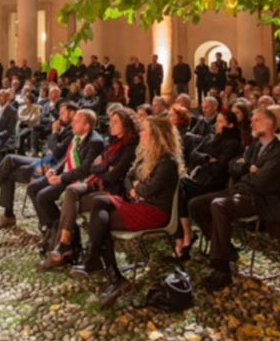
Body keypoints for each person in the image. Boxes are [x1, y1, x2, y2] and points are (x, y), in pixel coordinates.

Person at [72, 114, 184, 309]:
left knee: (101, 218)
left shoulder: (168, 162)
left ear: (156, 135)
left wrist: (138, 188)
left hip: (154, 213)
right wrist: (137, 187)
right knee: (100, 203)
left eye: (145, 131)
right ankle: (101, 265)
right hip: (140, 206)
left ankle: (104, 268)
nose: (141, 133)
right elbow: (128, 178)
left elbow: (148, 190)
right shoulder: (147, 156)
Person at [193, 108, 280, 290]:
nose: (251, 123)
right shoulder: (254, 148)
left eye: (256, 120)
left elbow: (262, 183)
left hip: (260, 199)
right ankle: (227, 250)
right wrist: (250, 168)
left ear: (270, 124)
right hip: (239, 191)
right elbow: (232, 166)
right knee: (196, 204)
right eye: (252, 120)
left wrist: (245, 169)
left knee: (218, 205)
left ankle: (221, 269)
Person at [42, 107, 139, 269]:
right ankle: (65, 242)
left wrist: (104, 167)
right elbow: (94, 167)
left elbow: (113, 176)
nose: (111, 126)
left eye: (116, 122)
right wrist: (105, 167)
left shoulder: (129, 148)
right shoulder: (113, 142)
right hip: (98, 183)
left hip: (113, 191)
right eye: (111, 122)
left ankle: (70, 249)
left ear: (126, 125)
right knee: (72, 192)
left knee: (73, 202)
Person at [0, 101, 77, 228]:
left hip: (52, 166)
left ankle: (0, 209)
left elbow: (58, 150)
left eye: (62, 113)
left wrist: (55, 133)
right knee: (9, 159)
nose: (59, 116)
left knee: (6, 173)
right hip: (46, 159)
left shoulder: (74, 131)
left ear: (72, 114)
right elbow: (47, 145)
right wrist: (49, 148)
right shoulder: (65, 127)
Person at [173, 109, 242, 260]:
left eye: (221, 122)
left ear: (230, 125)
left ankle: (185, 236)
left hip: (214, 185)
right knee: (179, 190)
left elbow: (218, 169)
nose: (217, 125)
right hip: (200, 180)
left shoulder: (232, 143)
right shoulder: (210, 137)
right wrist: (207, 159)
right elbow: (193, 154)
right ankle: (186, 235)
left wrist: (205, 162)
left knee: (180, 187)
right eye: (216, 121)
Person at [27, 109, 105, 232]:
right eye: (73, 121)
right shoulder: (77, 136)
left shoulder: (95, 142)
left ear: (87, 126)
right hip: (65, 174)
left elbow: (84, 170)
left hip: (76, 180)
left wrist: (60, 178)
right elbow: (66, 157)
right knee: (32, 187)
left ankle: (61, 229)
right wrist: (54, 169)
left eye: (77, 121)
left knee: (43, 196)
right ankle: (48, 225)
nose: (73, 124)